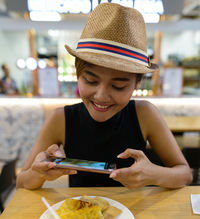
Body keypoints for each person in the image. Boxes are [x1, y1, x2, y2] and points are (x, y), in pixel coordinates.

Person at [16, 3, 192, 190]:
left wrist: (154, 175)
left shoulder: (145, 114)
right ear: (78, 75)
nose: (101, 96)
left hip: (136, 215)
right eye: (91, 81)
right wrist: (39, 172)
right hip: (79, 214)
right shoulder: (60, 119)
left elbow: (185, 174)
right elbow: (21, 183)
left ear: (136, 84)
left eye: (119, 86)